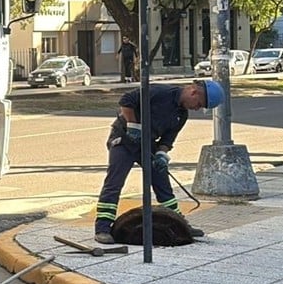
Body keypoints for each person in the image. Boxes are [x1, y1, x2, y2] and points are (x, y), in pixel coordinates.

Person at [93, 79, 224, 244]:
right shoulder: (160, 92)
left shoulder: (181, 115)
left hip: (147, 144)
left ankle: (179, 224)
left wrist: (162, 154)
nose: (197, 108)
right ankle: (103, 228)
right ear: (193, 92)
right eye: (199, 104)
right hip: (124, 140)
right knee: (115, 182)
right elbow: (126, 101)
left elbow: (168, 139)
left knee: (163, 184)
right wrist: (133, 125)